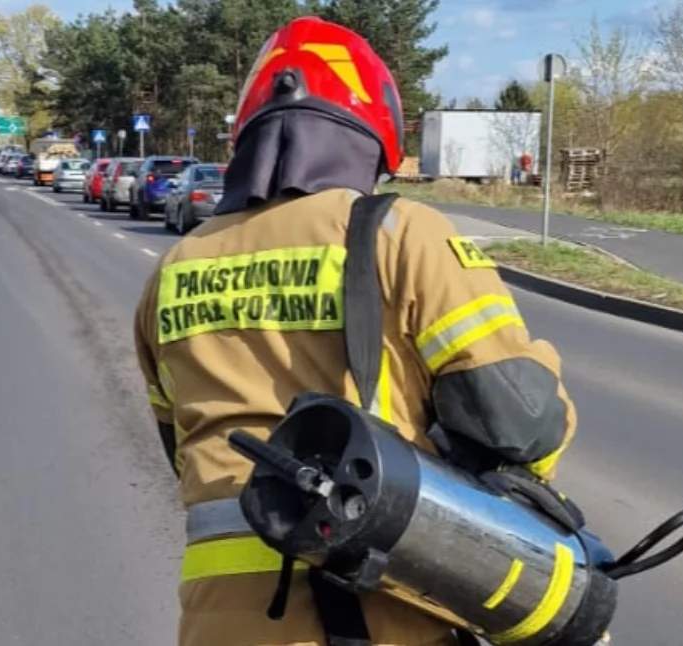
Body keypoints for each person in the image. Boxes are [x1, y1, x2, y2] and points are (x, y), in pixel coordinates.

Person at [132, 15, 579, 646]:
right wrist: (545, 368)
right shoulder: (401, 233)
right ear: (372, 132)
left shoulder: (173, 269)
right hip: (381, 614)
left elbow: (178, 447)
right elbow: (517, 421)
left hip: (216, 620)